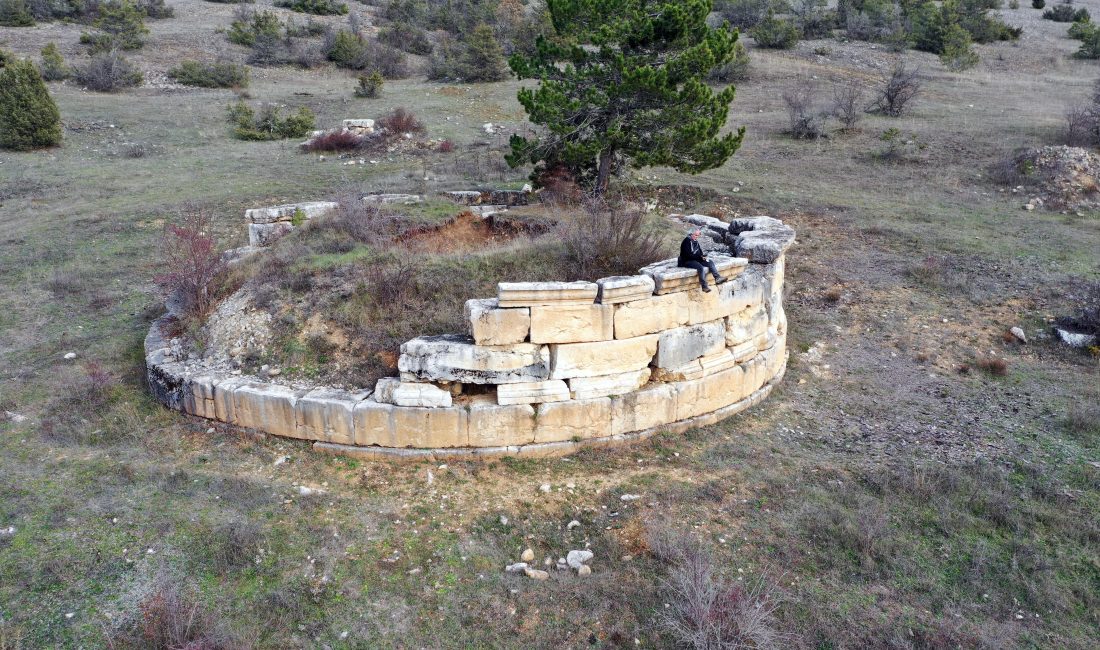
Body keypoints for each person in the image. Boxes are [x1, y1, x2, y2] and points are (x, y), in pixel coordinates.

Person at [678, 228, 726, 292]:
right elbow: (688, 255)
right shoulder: (686, 241)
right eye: (695, 235)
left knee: (710, 262)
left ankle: (717, 278)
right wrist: (699, 257)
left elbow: (699, 252)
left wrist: (703, 256)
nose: (696, 237)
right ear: (691, 234)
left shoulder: (695, 241)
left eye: (698, 235)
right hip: (687, 260)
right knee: (700, 267)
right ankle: (704, 286)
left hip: (696, 258)